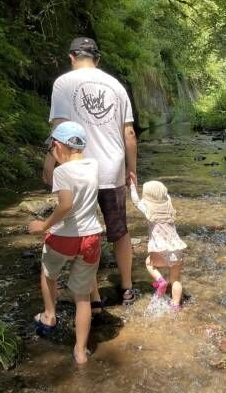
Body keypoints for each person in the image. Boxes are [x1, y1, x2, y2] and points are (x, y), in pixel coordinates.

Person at [44, 36, 138, 305]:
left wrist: (49, 162)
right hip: (112, 169)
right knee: (119, 231)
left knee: (84, 231)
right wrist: (132, 170)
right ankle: (127, 288)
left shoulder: (63, 83)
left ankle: (92, 296)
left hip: (77, 171)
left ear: (72, 57)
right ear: (98, 59)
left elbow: (59, 129)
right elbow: (129, 133)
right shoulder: (116, 85)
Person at [29, 121, 101, 365]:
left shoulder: (62, 173)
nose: (52, 154)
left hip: (63, 238)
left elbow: (66, 205)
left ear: (58, 146)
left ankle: (49, 315)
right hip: (91, 238)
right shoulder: (93, 166)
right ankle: (80, 351)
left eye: (51, 149)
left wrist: (44, 225)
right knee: (82, 297)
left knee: (48, 273)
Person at [129, 178, 186, 310]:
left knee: (149, 263)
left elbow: (136, 201)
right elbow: (167, 197)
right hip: (177, 250)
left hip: (159, 250)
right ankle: (176, 305)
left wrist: (132, 186)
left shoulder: (148, 209)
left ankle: (160, 281)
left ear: (147, 196)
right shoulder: (169, 206)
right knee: (176, 279)